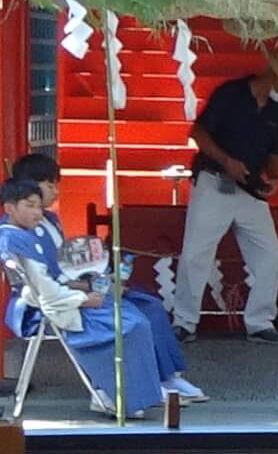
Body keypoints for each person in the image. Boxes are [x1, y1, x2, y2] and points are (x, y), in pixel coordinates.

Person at [11, 152, 204, 402]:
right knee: (132, 320)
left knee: (151, 306)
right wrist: (89, 290)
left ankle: (165, 376)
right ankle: (125, 386)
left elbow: (64, 265)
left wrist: (100, 281)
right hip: (53, 301)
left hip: (73, 288)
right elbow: (43, 283)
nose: (56, 192)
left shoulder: (50, 220)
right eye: (50, 185)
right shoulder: (17, 232)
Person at [170, 41, 278, 345]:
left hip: (250, 190)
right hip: (215, 181)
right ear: (274, 76)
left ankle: (260, 322)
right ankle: (184, 322)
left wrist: (274, 177)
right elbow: (198, 133)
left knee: (269, 255)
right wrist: (226, 161)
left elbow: (274, 153)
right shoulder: (230, 94)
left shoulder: (276, 111)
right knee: (196, 253)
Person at [2, 177, 165, 416]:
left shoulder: (20, 234)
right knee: (130, 325)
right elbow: (41, 289)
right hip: (46, 306)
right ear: (9, 208)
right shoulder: (13, 238)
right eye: (29, 206)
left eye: (38, 206)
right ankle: (109, 392)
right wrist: (83, 299)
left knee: (135, 315)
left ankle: (128, 393)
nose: (37, 212)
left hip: (58, 298)